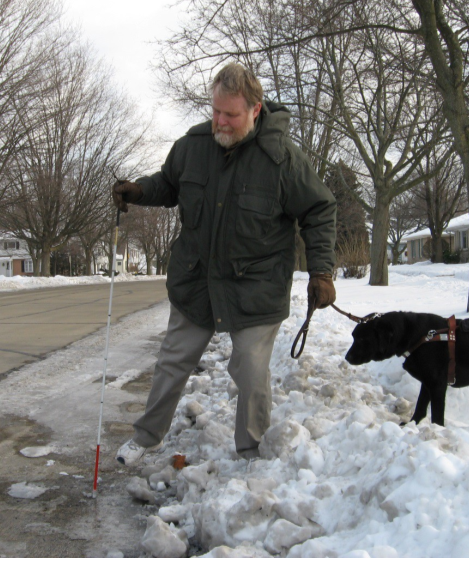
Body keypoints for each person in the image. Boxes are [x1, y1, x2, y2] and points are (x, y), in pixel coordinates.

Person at [112, 62, 337, 465]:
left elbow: (320, 208)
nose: (220, 121)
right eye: (215, 110)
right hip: (197, 280)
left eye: (230, 114)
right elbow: (169, 183)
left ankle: (251, 450)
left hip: (256, 285)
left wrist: (322, 271)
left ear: (255, 109)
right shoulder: (193, 145)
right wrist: (139, 191)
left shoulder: (282, 159)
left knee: (251, 371)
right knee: (172, 361)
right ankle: (147, 437)